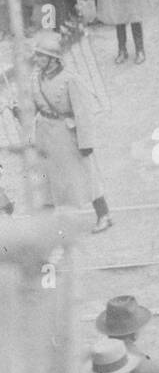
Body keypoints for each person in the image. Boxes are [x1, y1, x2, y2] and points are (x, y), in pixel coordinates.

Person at [29, 32, 113, 234]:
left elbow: (83, 113)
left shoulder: (70, 80)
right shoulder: (36, 79)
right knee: (48, 178)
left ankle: (104, 214)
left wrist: (86, 143)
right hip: (46, 134)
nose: (37, 60)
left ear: (53, 59)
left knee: (85, 175)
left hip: (68, 135)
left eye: (41, 56)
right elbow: (34, 107)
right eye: (37, 55)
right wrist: (19, 111)